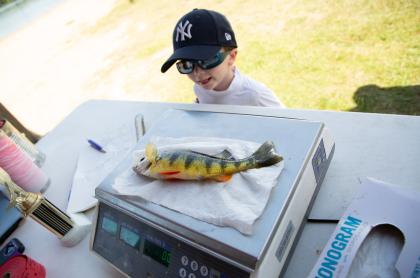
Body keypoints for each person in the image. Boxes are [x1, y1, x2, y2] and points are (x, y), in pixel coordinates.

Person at [161, 9, 285, 107]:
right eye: (186, 65)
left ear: (231, 56)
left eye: (206, 60)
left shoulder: (255, 95)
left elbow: (291, 125)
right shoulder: (200, 87)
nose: (197, 74)